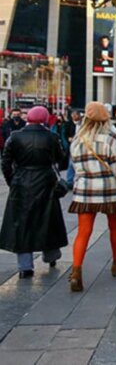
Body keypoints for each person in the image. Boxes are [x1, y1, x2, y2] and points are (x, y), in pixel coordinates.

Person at [68, 102, 116, 292]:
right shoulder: (111, 139)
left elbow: (75, 168)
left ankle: (76, 272)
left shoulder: (78, 140)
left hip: (84, 192)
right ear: (105, 120)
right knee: (114, 226)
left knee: (84, 231)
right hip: (109, 191)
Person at [0, 106, 68, 279]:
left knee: (22, 225)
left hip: (21, 182)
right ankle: (50, 255)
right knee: (48, 220)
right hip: (46, 181)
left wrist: (12, 181)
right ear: (44, 119)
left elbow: (5, 163)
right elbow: (61, 159)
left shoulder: (15, 137)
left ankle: (25, 267)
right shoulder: (51, 137)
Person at [65, 110, 82, 185]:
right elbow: (65, 133)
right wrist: (68, 138)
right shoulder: (68, 124)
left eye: (75, 115)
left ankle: (71, 180)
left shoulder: (83, 124)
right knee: (71, 163)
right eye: (73, 115)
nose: (74, 117)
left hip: (80, 144)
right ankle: (70, 180)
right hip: (72, 144)